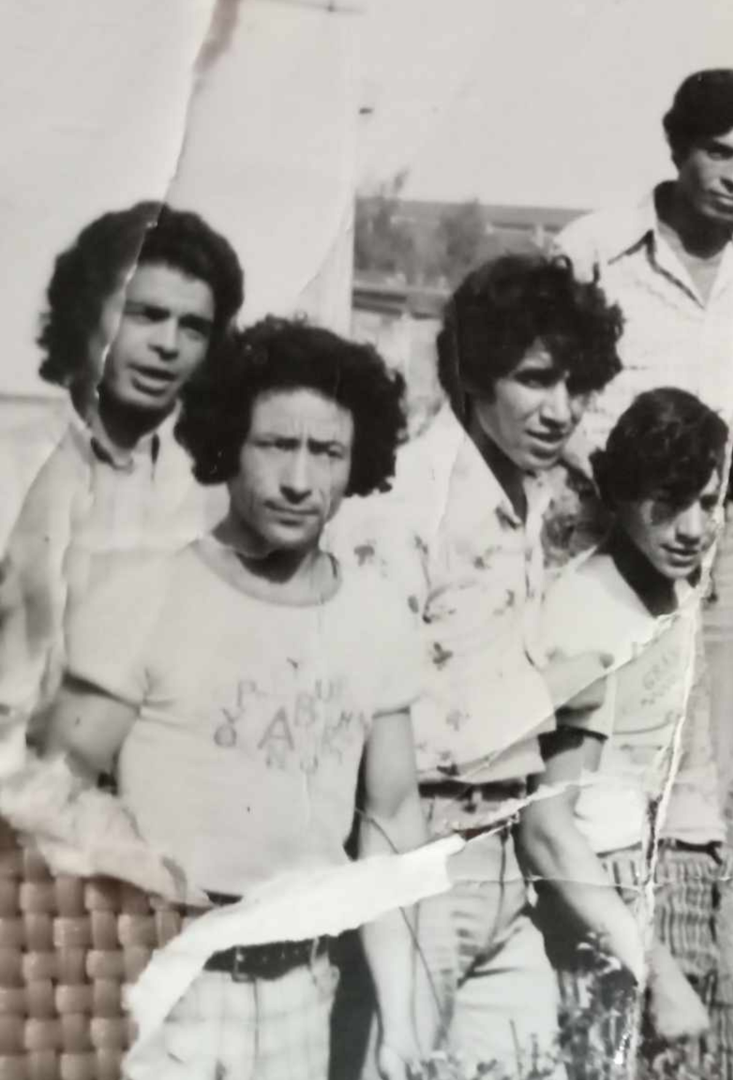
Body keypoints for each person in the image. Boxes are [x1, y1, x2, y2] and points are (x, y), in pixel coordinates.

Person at [35, 318, 428, 1080]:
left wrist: (404, 1014)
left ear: (359, 465)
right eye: (276, 445)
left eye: (327, 453)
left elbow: (392, 819)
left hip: (304, 995)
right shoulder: (146, 596)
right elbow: (54, 791)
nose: (298, 480)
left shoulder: (376, 617)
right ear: (227, 445)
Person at [329, 253, 623, 1074]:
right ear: (475, 373)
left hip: (508, 856)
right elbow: (367, 739)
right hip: (420, 852)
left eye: (576, 386)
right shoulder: (403, 503)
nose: (560, 410)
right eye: (535, 380)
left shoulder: (522, 487)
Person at [555, 68, 733, 808]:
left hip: (723, 528)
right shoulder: (596, 250)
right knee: (591, 728)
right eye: (719, 153)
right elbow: (534, 371)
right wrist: (599, 465)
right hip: (608, 522)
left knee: (698, 739)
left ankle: (680, 889)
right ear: (679, 148)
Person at [532, 387, 733, 1080]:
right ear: (619, 492)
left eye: (707, 504)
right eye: (668, 500)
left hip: (666, 878)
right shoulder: (582, 613)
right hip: (602, 902)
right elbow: (549, 827)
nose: (690, 527)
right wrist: (655, 968)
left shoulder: (675, 592)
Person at [0, 202, 244, 725]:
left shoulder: (222, 491)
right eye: (145, 314)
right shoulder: (9, 467)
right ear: (86, 311)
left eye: (194, 327)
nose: (167, 344)